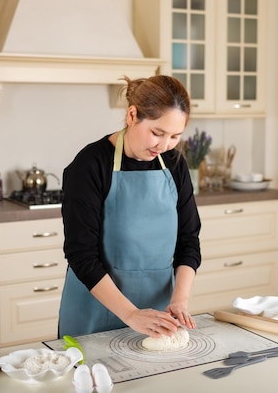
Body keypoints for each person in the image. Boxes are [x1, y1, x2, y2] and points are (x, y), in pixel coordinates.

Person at [58, 75, 202, 339]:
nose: (164, 145)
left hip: (157, 316)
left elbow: (188, 241)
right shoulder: (90, 165)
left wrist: (179, 300)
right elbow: (81, 255)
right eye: (157, 133)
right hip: (95, 313)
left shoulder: (174, 164)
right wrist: (131, 314)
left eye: (175, 136)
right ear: (132, 115)